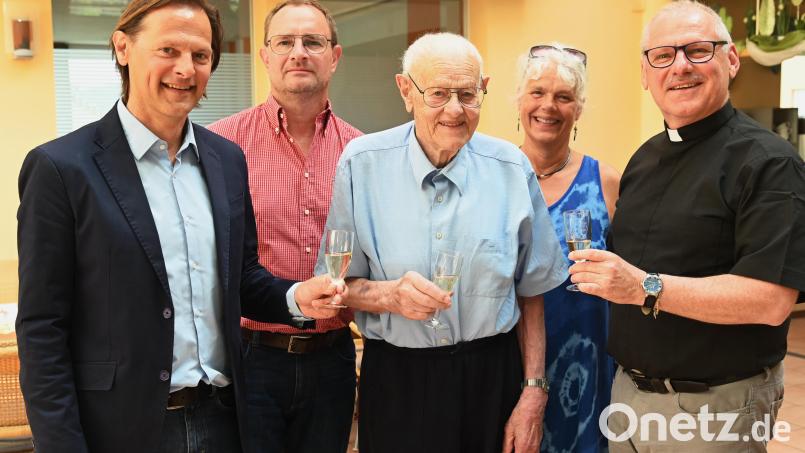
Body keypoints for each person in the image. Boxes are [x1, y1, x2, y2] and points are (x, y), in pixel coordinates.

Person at [15, 1, 343, 452]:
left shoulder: (225, 159)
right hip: (124, 429)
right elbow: (42, 329)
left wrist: (294, 296)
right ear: (123, 47)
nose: (185, 69)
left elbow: (242, 278)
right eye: (168, 49)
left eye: (201, 56)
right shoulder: (61, 169)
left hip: (226, 419)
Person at [310, 32, 568, 453]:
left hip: (492, 378)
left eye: (468, 94)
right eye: (438, 94)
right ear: (406, 90)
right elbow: (339, 287)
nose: (454, 110)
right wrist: (390, 296)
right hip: (398, 380)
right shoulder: (362, 164)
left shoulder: (510, 168)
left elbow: (531, 293)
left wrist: (534, 393)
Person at [568, 1, 805, 451]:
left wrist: (645, 287)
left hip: (713, 405)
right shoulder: (644, 159)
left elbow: (771, 300)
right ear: (645, 73)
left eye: (697, 50)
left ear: (730, 59)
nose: (679, 67)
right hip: (626, 397)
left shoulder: (770, 164)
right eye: (663, 55)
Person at [207, 1, 362, 452]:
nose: (299, 52)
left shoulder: (363, 152)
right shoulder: (221, 146)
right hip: (250, 358)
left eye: (312, 42)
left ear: (334, 56)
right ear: (265, 57)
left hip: (333, 356)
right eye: (285, 42)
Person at [515, 43, 620, 453]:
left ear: (579, 109)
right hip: (511, 362)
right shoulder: (495, 177)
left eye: (563, 97)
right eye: (537, 93)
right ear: (519, 102)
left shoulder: (605, 181)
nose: (548, 106)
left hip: (587, 361)